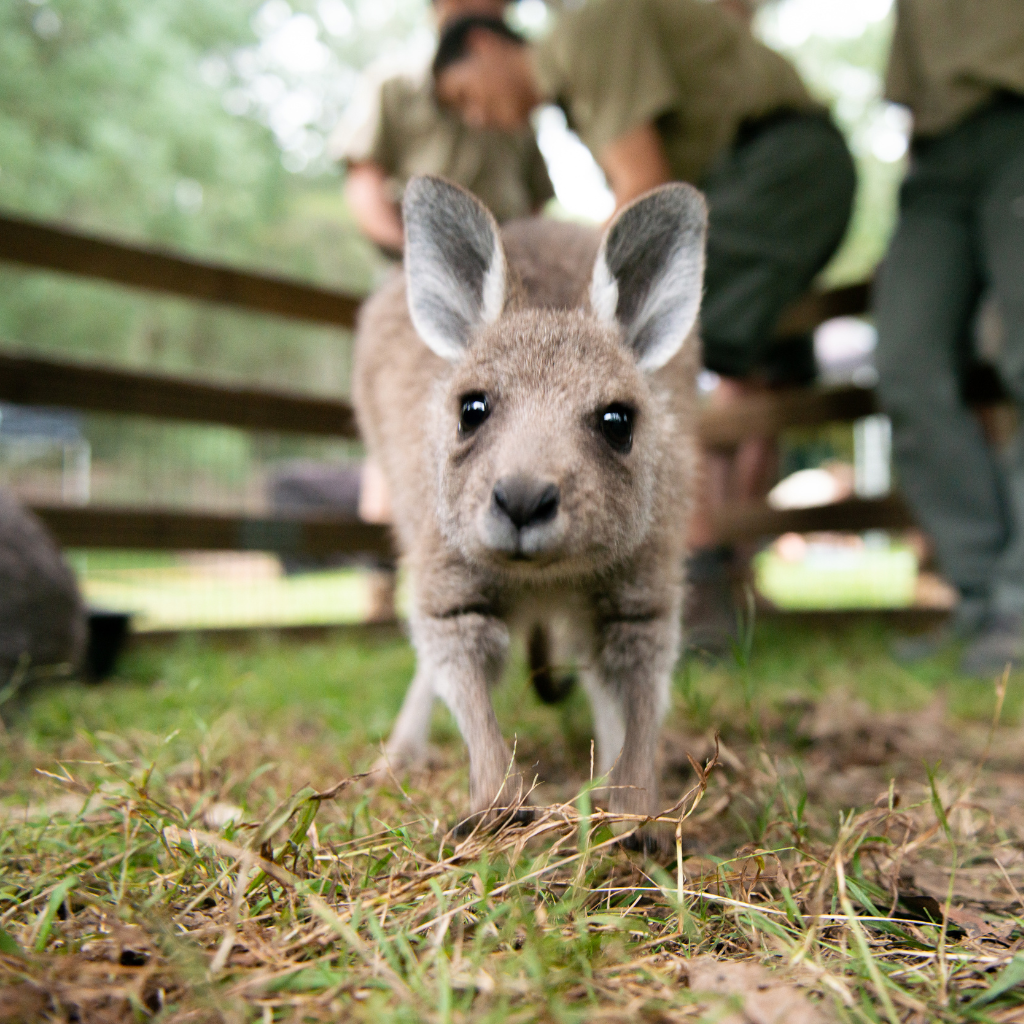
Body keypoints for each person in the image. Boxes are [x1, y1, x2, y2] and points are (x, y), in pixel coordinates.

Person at [430, 0, 856, 651]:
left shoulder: (587, 35)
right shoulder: (574, 97)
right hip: (762, 170)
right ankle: (731, 575)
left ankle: (697, 576)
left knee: (645, 343)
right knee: (747, 371)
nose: (477, 117)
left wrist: (570, 309)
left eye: (465, 95)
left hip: (783, 163)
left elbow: (645, 186)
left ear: (487, 45)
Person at [874, 0, 1024, 674]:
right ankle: (977, 591)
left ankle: (1017, 606)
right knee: (905, 363)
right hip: (937, 158)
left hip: (1015, 120)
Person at [330, 0, 554, 255]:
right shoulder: (394, 85)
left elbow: (537, 199)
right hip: (424, 250)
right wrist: (410, 256)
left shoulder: (516, 99)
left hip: (508, 257)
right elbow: (364, 179)